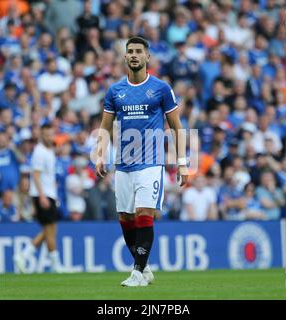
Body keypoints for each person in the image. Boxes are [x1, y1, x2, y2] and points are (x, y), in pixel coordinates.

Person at [95, 37, 188, 287]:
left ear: (147, 57)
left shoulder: (160, 88)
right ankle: (144, 267)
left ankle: (137, 272)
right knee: (126, 218)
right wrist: (101, 154)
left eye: (138, 51)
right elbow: (105, 127)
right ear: (125, 57)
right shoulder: (115, 91)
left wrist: (182, 162)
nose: (134, 55)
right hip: (123, 165)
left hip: (151, 163)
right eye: (130, 51)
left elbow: (177, 127)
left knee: (144, 213)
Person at [13, 124, 63, 273]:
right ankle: (55, 264)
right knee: (50, 229)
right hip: (43, 195)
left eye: (51, 134)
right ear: (41, 136)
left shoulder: (49, 151)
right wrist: (42, 196)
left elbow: (48, 175)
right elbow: (35, 175)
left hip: (49, 194)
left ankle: (23, 254)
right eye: (46, 134)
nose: (49, 137)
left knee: (50, 230)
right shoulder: (39, 152)